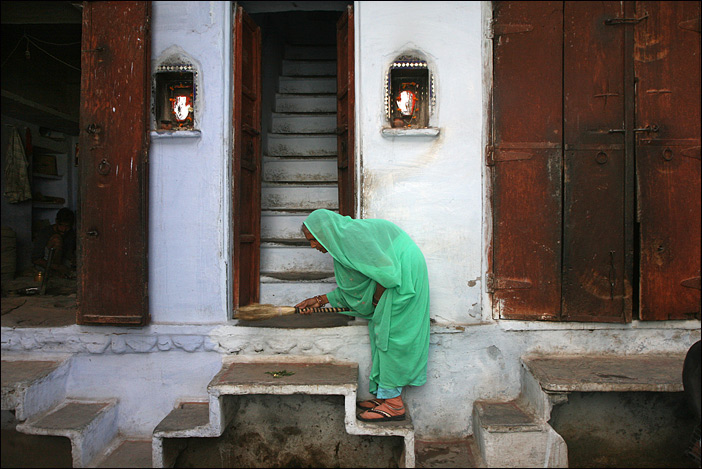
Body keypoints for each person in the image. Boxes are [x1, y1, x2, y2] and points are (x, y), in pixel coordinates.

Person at [295, 209, 430, 422]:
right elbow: (361, 283)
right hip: (400, 272)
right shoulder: (343, 241)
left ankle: (394, 405)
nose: (313, 246)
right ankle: (386, 395)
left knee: (391, 335)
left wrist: (375, 302)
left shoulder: (351, 239)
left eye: (314, 240)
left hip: (404, 276)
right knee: (381, 332)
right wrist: (320, 300)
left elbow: (386, 276)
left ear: (325, 233)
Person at [32, 208, 76, 279]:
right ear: (56, 221)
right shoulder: (45, 232)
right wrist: (58, 267)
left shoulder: (71, 233)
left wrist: (73, 260)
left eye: (67, 226)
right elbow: (36, 259)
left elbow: (69, 254)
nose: (64, 229)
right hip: (45, 263)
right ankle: (55, 273)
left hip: (62, 262)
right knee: (57, 239)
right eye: (61, 225)